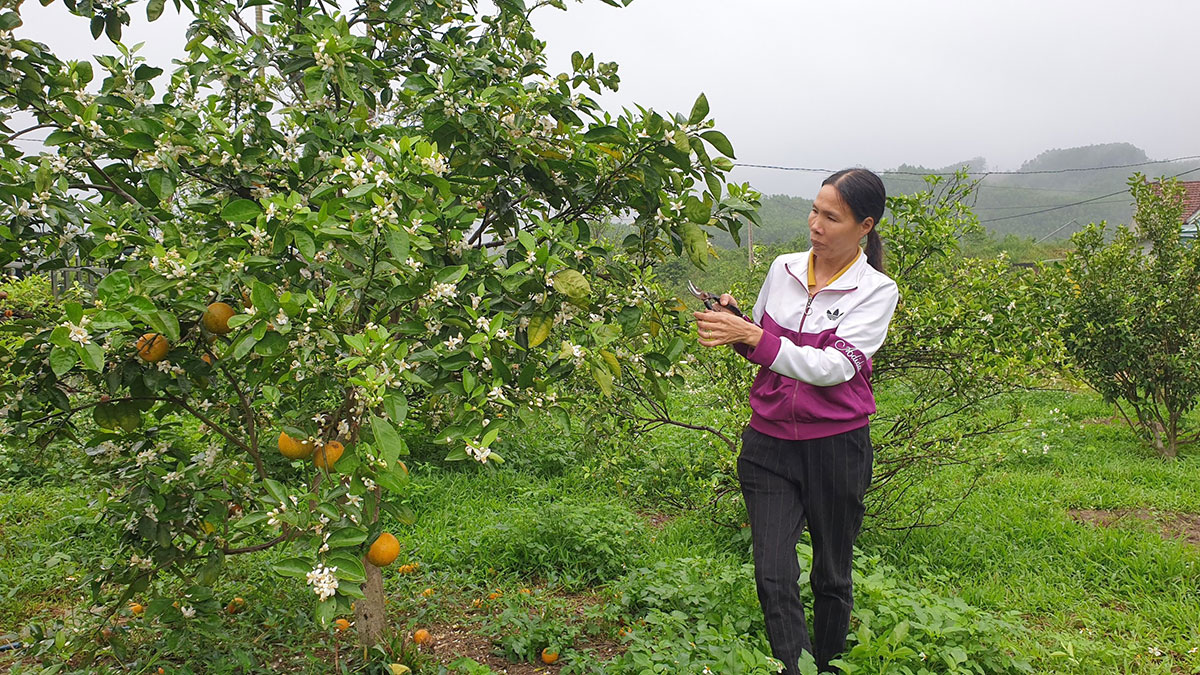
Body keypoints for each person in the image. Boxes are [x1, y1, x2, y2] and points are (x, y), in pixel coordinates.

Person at [693, 168, 899, 674]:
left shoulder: (876, 291)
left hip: (837, 446)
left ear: (865, 226)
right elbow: (764, 350)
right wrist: (738, 325)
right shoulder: (783, 268)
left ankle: (827, 664)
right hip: (768, 443)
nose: (815, 225)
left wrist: (755, 337)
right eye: (814, 210)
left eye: (831, 217)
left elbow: (834, 367)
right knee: (772, 573)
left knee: (832, 574)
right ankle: (795, 667)